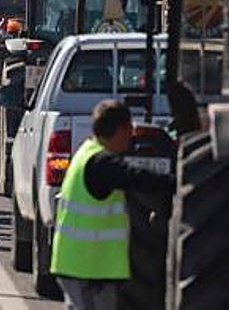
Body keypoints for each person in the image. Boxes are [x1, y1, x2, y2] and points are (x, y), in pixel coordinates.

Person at [50, 100, 175, 309]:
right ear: (120, 130)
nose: (131, 137)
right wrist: (177, 181)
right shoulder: (101, 164)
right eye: (129, 130)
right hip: (87, 270)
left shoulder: (86, 153)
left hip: (84, 267)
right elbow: (135, 177)